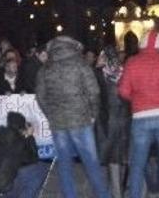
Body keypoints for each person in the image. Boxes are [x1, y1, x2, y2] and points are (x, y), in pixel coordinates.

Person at [36, 35, 109, 198]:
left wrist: (51, 114)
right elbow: (94, 91)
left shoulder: (45, 68)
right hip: (81, 120)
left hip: (58, 122)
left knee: (64, 164)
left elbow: (40, 96)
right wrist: (93, 113)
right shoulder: (81, 65)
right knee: (91, 162)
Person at [118, 30, 159, 198]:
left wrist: (136, 98)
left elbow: (123, 91)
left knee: (137, 167)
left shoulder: (132, 62)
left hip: (141, 118)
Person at [0, 112, 49, 198]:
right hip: (7, 182)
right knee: (40, 168)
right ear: (21, 127)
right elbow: (33, 159)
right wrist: (30, 137)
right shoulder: (19, 141)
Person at [96, 46, 130, 198]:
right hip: (125, 119)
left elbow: (96, 97)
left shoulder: (100, 74)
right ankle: (120, 189)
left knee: (113, 158)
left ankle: (117, 192)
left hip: (108, 121)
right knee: (123, 156)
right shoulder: (125, 72)